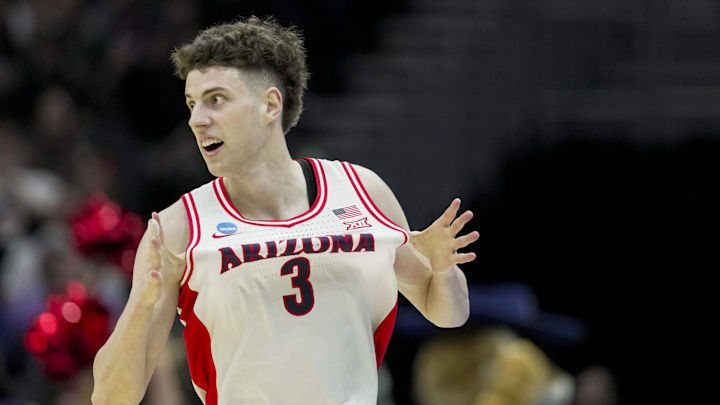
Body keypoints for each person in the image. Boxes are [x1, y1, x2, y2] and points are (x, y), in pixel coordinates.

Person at [91, 16, 479, 405]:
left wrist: (444, 271)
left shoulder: (362, 191)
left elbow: (449, 313)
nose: (196, 119)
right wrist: (142, 304)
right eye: (192, 104)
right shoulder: (178, 228)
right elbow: (110, 397)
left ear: (270, 105)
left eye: (216, 99)